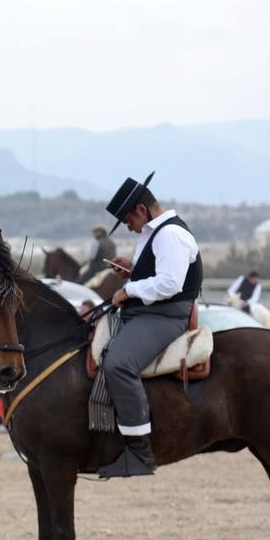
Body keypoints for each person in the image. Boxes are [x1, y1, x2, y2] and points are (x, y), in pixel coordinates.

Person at [99, 171, 201, 478]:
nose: (129, 228)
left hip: (166, 315)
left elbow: (170, 283)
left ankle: (139, 452)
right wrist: (132, 271)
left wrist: (128, 289)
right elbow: (157, 272)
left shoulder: (170, 234)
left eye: (128, 220)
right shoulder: (154, 232)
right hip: (150, 311)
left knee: (118, 363)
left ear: (141, 210)